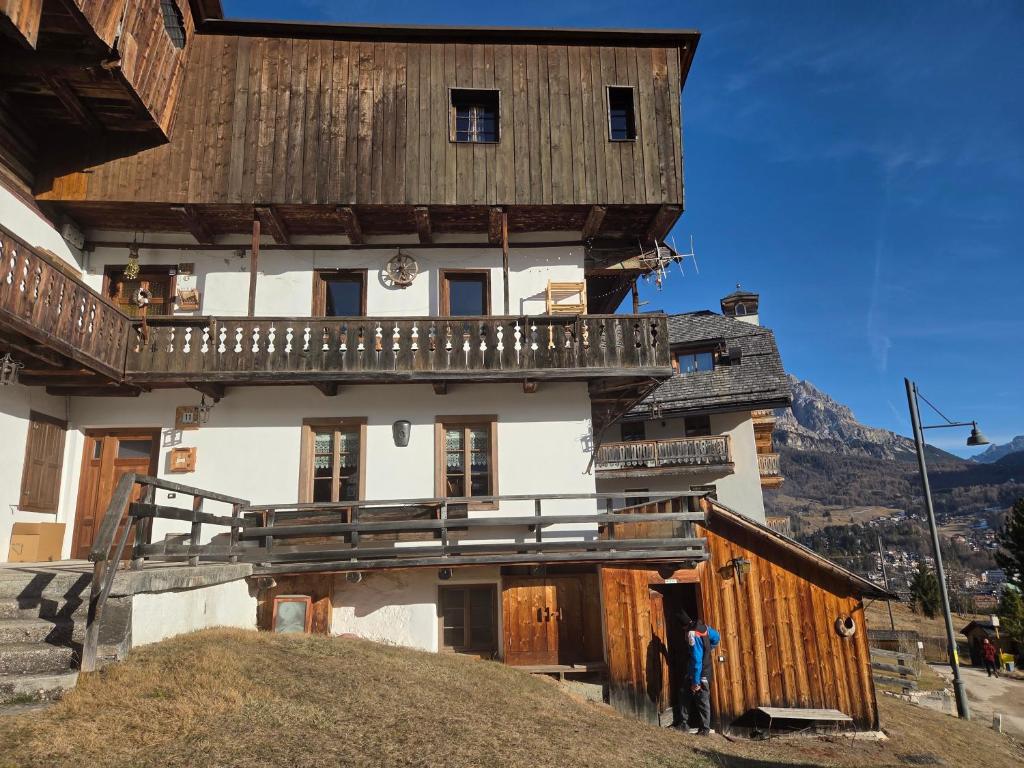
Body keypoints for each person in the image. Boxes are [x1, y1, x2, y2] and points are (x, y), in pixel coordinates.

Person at [675, 610, 720, 736]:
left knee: (702, 699)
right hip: (700, 670)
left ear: (683, 626)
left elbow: (696, 659)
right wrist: (709, 649)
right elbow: (716, 637)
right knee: (684, 694)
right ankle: (684, 724)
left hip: (699, 672)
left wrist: (695, 681)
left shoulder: (691, 634)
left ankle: (704, 729)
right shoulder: (703, 627)